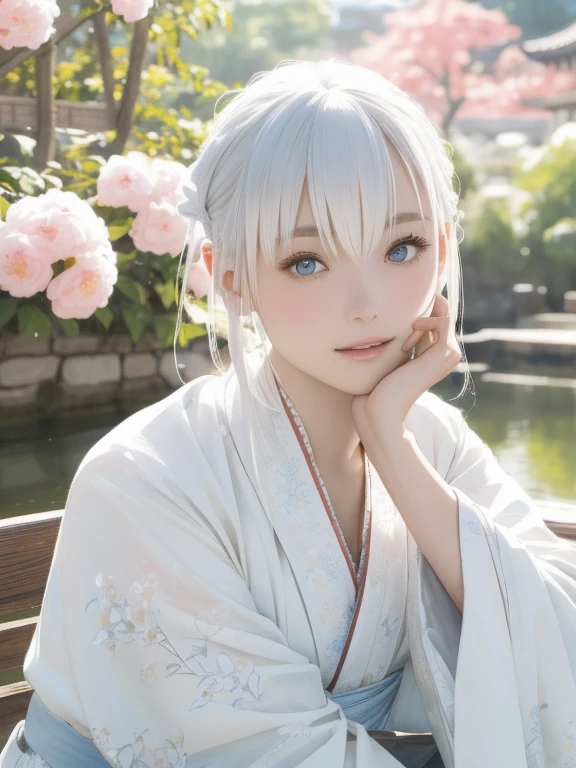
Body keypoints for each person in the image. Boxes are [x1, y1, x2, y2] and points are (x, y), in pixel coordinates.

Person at [2, 58, 576, 768]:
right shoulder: (143, 478)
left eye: (403, 247)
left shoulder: (430, 438)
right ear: (231, 273)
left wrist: (393, 449)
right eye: (307, 261)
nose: (368, 301)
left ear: (445, 247)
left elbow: (561, 624)